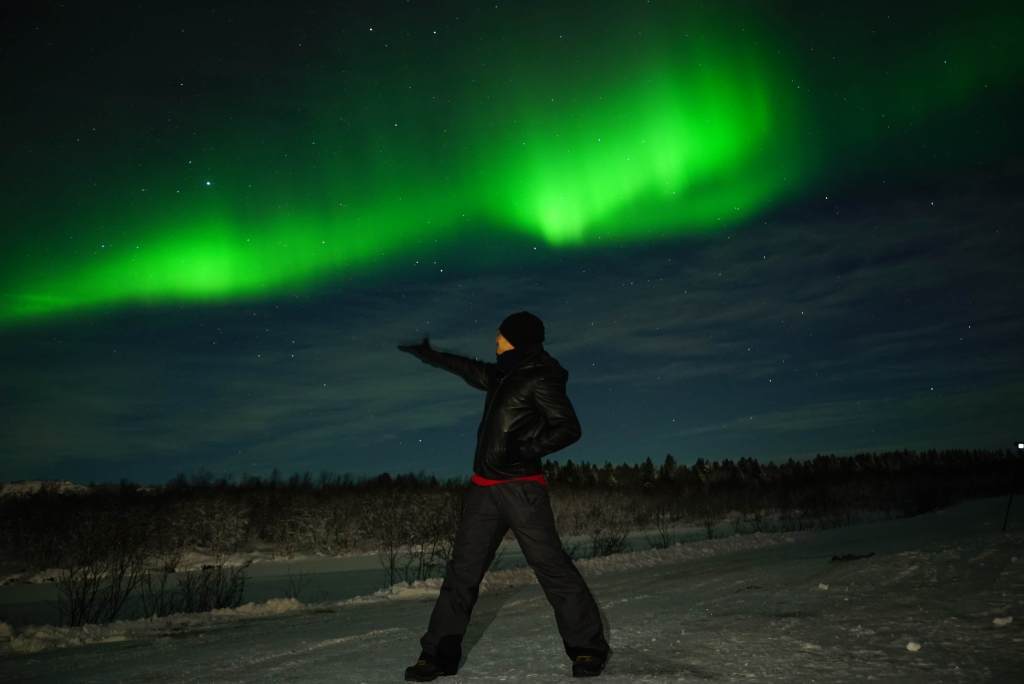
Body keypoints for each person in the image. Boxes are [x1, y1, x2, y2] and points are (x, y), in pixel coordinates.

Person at [397, 311, 611, 680]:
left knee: (551, 567)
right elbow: (466, 368)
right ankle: (436, 656)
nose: (494, 340)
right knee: (462, 573)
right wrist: (429, 354)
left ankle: (588, 649)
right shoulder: (501, 374)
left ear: (516, 339)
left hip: (521, 489)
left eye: (500, 336)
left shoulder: (541, 376)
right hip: (484, 490)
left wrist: (522, 450)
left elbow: (568, 428)